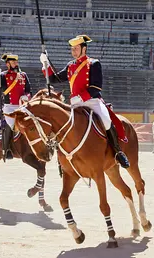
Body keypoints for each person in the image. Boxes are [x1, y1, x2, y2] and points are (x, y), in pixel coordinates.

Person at [39, 34, 129, 168]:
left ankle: (118, 151)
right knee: (61, 125)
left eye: (76, 48)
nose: (73, 51)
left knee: (106, 120)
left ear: (84, 49)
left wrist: (82, 97)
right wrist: (45, 64)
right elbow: (55, 79)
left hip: (92, 101)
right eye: (72, 49)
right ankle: (62, 157)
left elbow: (97, 86)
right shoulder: (70, 66)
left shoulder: (94, 63)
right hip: (75, 104)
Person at [0, 53, 32, 161]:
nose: (16, 63)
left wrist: (26, 96)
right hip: (9, 106)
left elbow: (29, 90)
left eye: (16, 62)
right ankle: (6, 149)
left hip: (22, 105)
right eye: (13, 62)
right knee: (10, 125)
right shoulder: (3, 75)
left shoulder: (23, 75)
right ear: (8, 64)